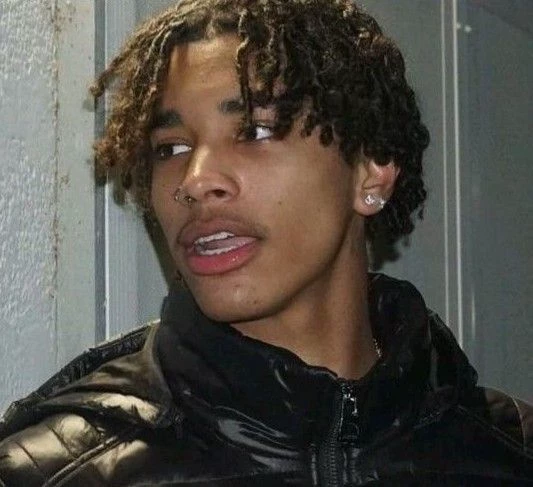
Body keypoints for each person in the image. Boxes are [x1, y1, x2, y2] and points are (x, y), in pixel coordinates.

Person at [0, 0, 531, 485]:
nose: (195, 181)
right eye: (171, 148)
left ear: (370, 171)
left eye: (254, 131)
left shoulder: (511, 452)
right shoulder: (48, 473)